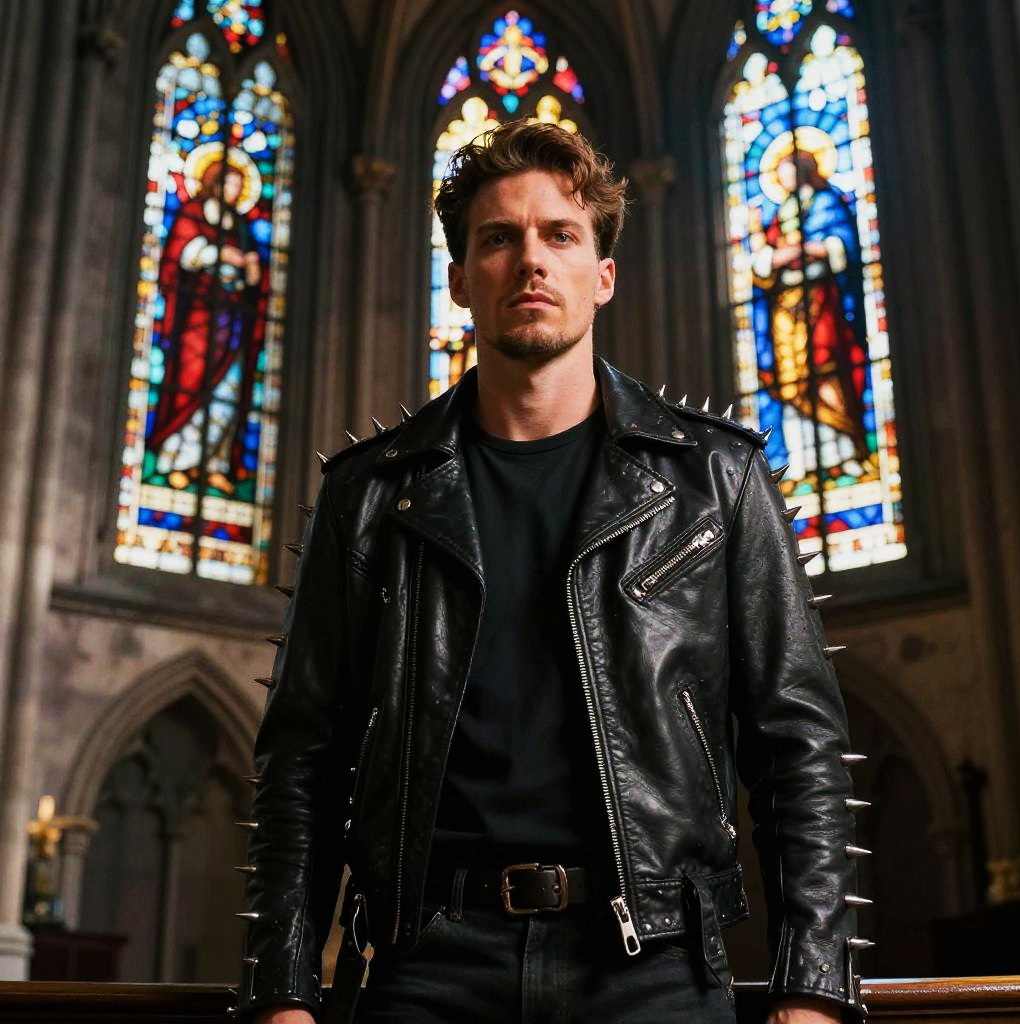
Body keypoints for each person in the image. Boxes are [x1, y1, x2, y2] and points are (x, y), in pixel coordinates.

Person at [232, 121, 871, 1024]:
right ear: (459, 280)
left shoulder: (714, 481)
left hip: (651, 965)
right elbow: (302, 755)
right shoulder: (369, 496)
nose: (530, 260)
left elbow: (796, 739)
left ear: (602, 276)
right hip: (429, 964)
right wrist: (279, 991)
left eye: (560, 235)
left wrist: (815, 988)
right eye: (498, 238)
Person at [147, 157, 266, 496]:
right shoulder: (193, 213)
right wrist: (219, 255)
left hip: (233, 318)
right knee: (191, 381)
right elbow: (179, 253)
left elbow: (256, 277)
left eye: (239, 187)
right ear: (213, 184)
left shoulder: (241, 227)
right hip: (198, 315)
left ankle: (213, 464)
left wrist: (253, 273)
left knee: (226, 393)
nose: (234, 191)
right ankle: (176, 460)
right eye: (229, 184)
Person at [750, 148, 871, 480]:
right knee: (792, 383)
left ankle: (845, 450)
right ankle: (801, 461)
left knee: (826, 367)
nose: (785, 178)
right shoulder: (777, 215)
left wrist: (801, 250)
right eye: (782, 173)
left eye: (790, 170)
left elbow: (841, 246)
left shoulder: (826, 203)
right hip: (784, 309)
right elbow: (761, 266)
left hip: (820, 299)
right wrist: (771, 255)